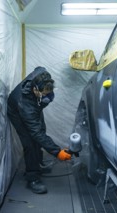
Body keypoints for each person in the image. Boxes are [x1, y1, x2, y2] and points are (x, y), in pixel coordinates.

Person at [7, 66, 71, 194]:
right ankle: (32, 177)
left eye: (47, 92)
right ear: (35, 89)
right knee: (30, 142)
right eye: (43, 93)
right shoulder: (25, 103)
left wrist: (43, 98)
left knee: (41, 130)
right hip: (17, 112)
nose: (46, 95)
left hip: (34, 104)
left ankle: (39, 163)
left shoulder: (42, 76)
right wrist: (57, 152)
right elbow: (36, 132)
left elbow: (39, 68)